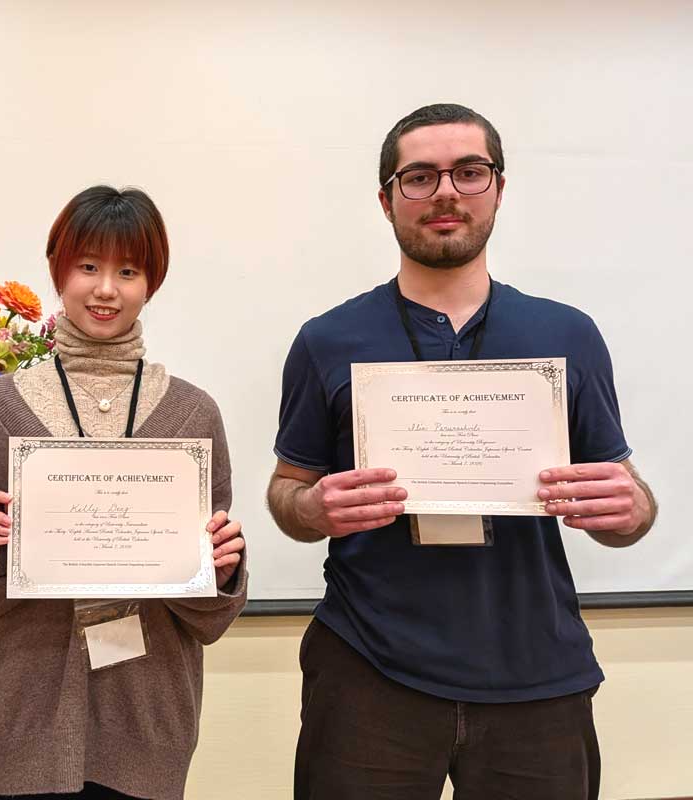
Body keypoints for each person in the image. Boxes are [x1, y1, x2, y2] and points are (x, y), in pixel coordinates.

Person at [267, 103, 657, 799]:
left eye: (469, 172)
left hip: (537, 672)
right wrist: (312, 507)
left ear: (498, 190)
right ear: (386, 201)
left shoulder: (568, 334)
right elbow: (288, 491)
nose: (446, 192)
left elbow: (630, 504)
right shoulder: (327, 340)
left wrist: (629, 510)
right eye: (419, 177)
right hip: (367, 669)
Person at [0, 186, 247, 800]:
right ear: (59, 271)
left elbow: (211, 612)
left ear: (151, 282)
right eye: (88, 267)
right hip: (23, 712)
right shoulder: (0, 407)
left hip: (148, 713)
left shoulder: (192, 414)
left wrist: (221, 565)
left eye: (127, 271)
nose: (106, 289)